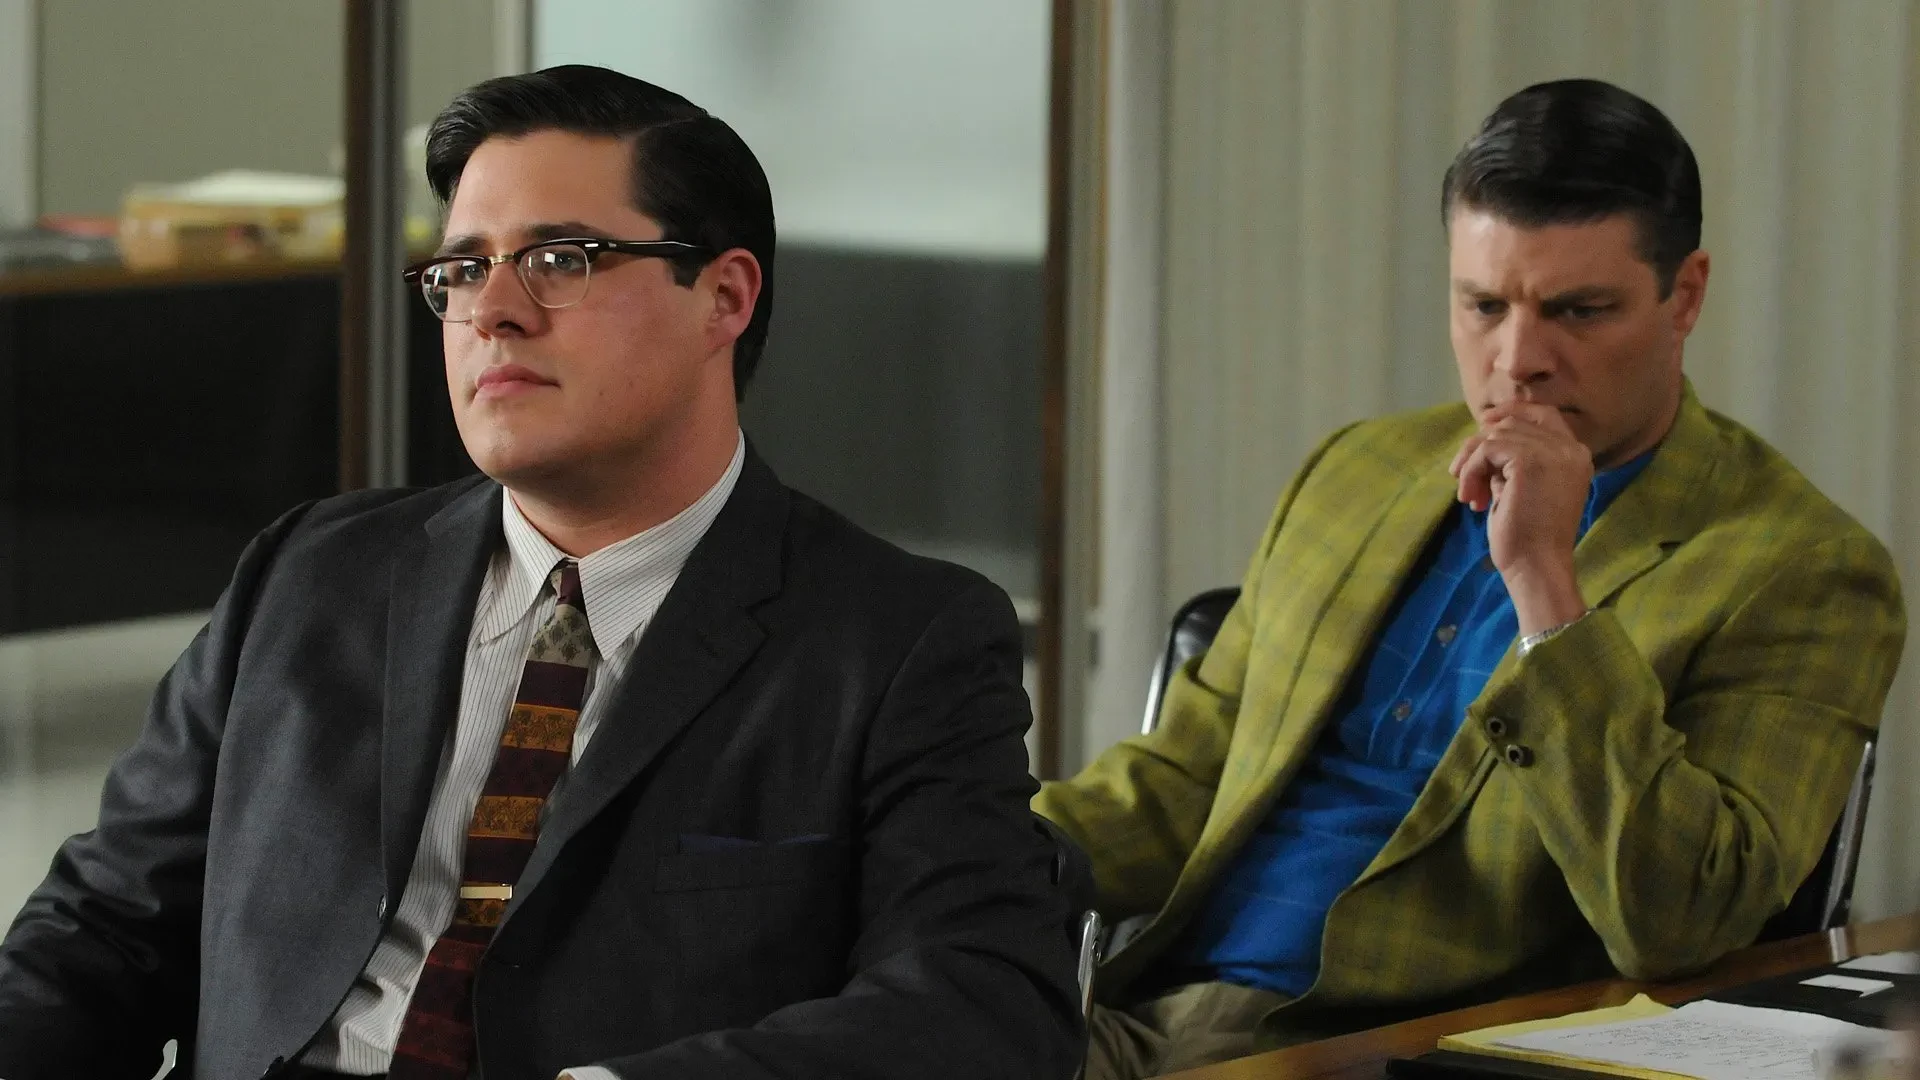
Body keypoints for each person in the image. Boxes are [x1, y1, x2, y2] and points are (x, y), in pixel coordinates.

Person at [0, 65, 1082, 1080]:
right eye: (464, 268)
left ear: (724, 297)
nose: (493, 311)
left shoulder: (897, 640)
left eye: (561, 259)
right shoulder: (312, 572)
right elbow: (104, 931)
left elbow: (983, 997)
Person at [1037, 77, 1907, 1080]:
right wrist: (937, 854)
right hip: (1124, 1000)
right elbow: (1180, 780)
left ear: (1686, 296)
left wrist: (1545, 583)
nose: (1518, 358)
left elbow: (1683, 920)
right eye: (1484, 305)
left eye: (1580, 311)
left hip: (1380, 1046)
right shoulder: (1358, 470)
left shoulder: (1801, 569)